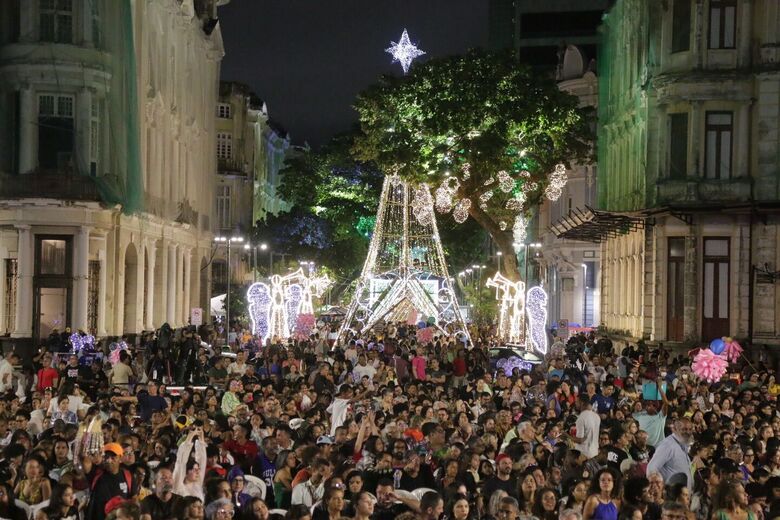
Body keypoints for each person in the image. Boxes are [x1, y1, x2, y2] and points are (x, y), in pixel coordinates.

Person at [85, 443, 137, 520]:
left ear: (121, 458)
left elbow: (134, 500)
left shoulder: (128, 476)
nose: (109, 460)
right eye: (106, 457)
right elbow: (85, 461)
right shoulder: (95, 474)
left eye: (113, 457)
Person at [647, 419, 694, 488]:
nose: (688, 432)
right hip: (671, 495)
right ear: (674, 429)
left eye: (690, 429)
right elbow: (651, 468)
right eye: (684, 429)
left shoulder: (683, 444)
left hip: (683, 495)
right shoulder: (668, 445)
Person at [173, 428, 208, 500]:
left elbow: (202, 460)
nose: (198, 472)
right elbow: (180, 463)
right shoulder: (179, 486)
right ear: (186, 472)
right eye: (195, 469)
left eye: (198, 469)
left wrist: (201, 438)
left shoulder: (197, 485)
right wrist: (189, 437)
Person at [574, 394, 601, 460]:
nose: (575, 403)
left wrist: (566, 436)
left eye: (577, 402)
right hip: (594, 452)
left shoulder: (581, 417)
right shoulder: (597, 416)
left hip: (583, 455)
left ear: (582, 403)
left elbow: (580, 440)